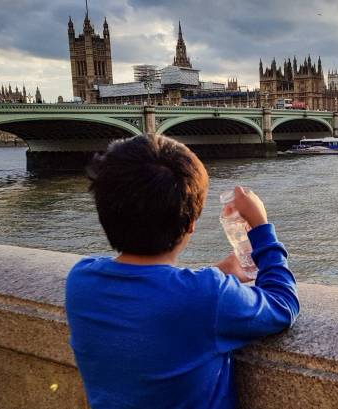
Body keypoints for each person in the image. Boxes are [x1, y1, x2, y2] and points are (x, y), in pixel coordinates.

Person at [65, 134, 299, 409]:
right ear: (190, 225)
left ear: (103, 211)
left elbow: (152, 296)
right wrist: (261, 228)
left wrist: (218, 272)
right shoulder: (209, 296)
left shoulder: (80, 280)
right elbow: (284, 305)